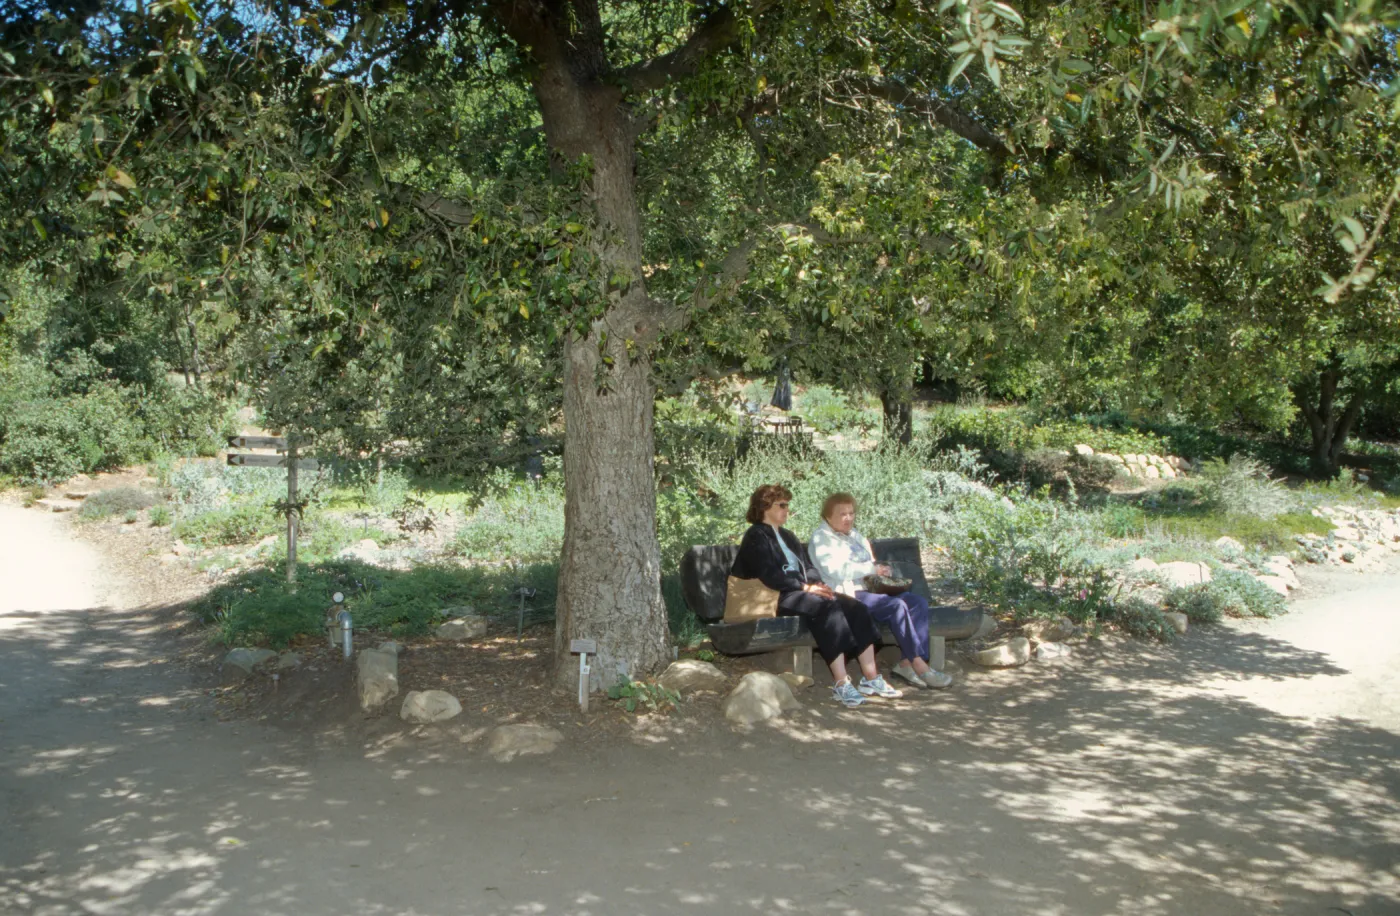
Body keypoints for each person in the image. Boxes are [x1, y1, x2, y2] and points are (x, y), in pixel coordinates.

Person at [730, 484, 902, 708]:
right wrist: (805, 587)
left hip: (798, 592)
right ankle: (841, 683)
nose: (787, 510)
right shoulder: (755, 535)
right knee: (826, 607)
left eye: (787, 505)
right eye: (781, 505)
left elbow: (808, 566)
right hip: (773, 597)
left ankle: (871, 678)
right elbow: (769, 575)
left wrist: (816, 583)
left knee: (854, 606)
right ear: (765, 507)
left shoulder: (788, 535)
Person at [809, 492, 953, 689]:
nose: (848, 518)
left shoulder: (855, 536)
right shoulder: (821, 538)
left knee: (917, 602)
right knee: (896, 606)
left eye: (851, 513)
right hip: (847, 594)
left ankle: (905, 663)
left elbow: (870, 564)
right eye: (842, 514)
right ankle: (920, 665)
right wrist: (870, 569)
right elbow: (835, 570)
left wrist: (881, 571)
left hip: (871, 589)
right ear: (828, 516)